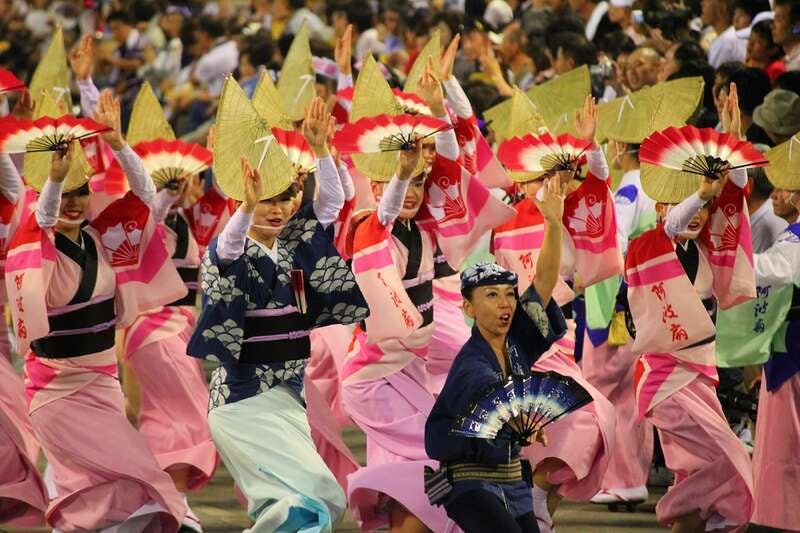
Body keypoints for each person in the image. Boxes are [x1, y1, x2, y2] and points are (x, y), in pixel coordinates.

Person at [3, 90, 187, 532]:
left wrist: (120, 144)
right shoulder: (36, 243)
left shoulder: (102, 238)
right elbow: (42, 217)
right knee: (129, 477)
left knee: (121, 485)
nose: (74, 201)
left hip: (103, 383)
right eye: (66, 194)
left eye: (81, 192)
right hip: (57, 391)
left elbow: (145, 195)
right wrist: (53, 179)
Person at [187, 97, 367, 532]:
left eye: (285, 197)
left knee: (312, 501)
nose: (279, 208)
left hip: (285, 394)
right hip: (243, 400)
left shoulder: (294, 244)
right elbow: (228, 248)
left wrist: (321, 150)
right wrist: (246, 207)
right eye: (266, 200)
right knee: (310, 496)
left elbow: (331, 204)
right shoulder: (228, 251)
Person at [625, 86, 755, 532]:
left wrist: (731, 141)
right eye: (685, 203)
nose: (697, 214)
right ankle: (683, 511)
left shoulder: (704, 248)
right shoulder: (648, 247)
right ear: (663, 207)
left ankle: (694, 516)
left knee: (696, 471)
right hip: (665, 376)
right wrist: (699, 194)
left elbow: (730, 203)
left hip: (700, 369)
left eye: (701, 203)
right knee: (728, 455)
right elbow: (678, 222)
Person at [424, 174, 568, 533]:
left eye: (507, 294)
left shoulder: (516, 341)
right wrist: (518, 421)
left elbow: (544, 285)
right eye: (491, 296)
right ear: (469, 308)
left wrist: (553, 224)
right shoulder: (472, 365)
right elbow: (490, 400)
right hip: (467, 482)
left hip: (511, 476)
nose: (504, 303)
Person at [703, 0, 746, 68]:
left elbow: (716, 77)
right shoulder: (729, 37)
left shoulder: (725, 42)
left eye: (708, 1)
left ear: (721, 8)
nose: (702, 4)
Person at [773, 0, 800, 71]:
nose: (772, 26)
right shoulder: (787, 58)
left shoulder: (797, 63)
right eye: (774, 18)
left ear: (797, 25)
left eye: (779, 19)